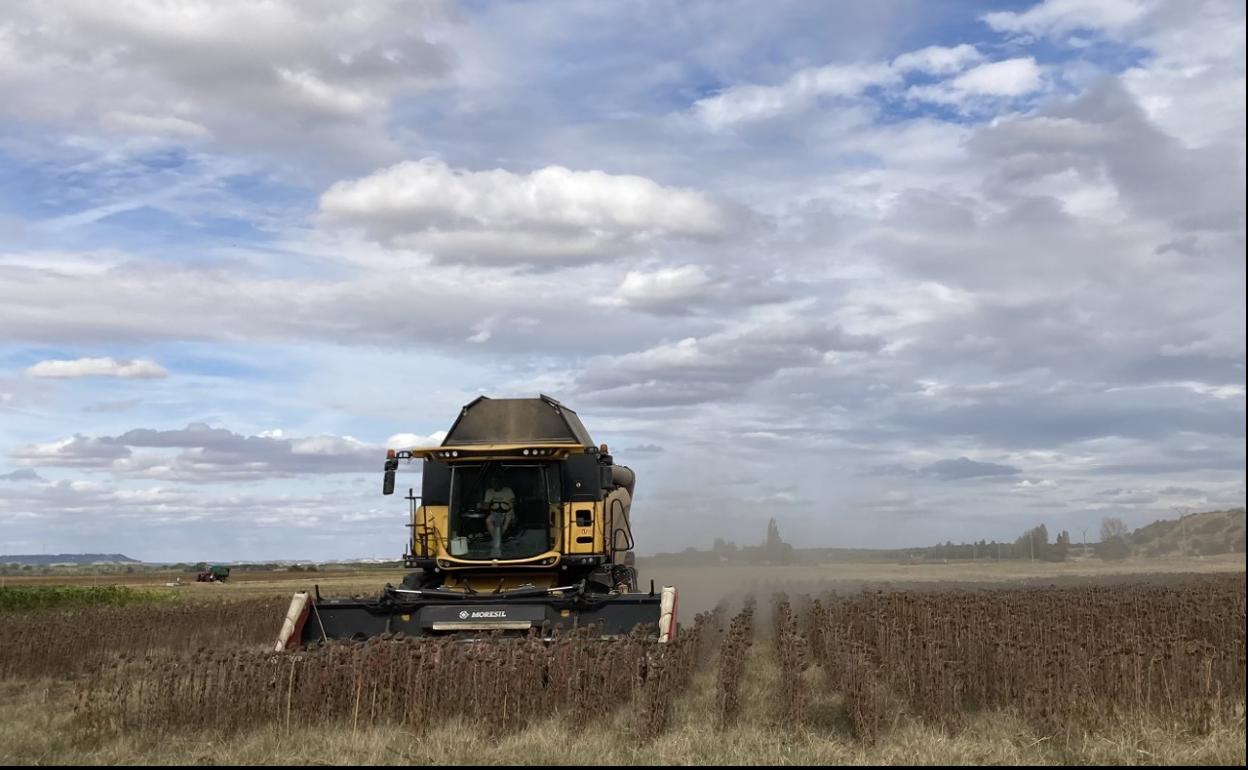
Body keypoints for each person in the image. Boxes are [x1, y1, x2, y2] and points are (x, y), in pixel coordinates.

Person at [481, 473, 516, 557]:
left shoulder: (508, 490)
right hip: (494, 513)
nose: (494, 484)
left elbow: (513, 502)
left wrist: (510, 504)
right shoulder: (489, 491)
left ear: (500, 482)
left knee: (507, 520)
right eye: (493, 482)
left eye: (496, 482)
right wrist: (481, 505)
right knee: (488, 520)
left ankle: (497, 540)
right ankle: (496, 540)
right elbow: (486, 506)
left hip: (507, 513)